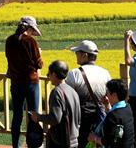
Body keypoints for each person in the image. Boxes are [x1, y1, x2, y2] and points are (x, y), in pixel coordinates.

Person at [5, 15, 44, 148]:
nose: (33, 33)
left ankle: (15, 145)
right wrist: (39, 53)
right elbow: (39, 64)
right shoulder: (31, 42)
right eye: (33, 30)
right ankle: (33, 144)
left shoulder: (9, 40)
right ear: (29, 28)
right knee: (33, 114)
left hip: (15, 83)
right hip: (31, 83)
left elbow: (9, 60)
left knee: (17, 115)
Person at [65, 40, 111, 146]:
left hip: (81, 120)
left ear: (84, 55)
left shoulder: (75, 74)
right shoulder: (105, 73)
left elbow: (67, 97)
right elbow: (108, 96)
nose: (76, 55)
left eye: (77, 53)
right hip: (100, 118)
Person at [29, 60, 80, 148]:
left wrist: (38, 117)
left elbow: (55, 119)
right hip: (74, 139)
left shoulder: (57, 92)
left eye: (49, 73)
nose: (47, 76)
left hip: (62, 141)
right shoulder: (72, 91)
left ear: (54, 74)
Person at [89, 79, 134, 148]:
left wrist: (94, 138)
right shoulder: (127, 107)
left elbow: (109, 141)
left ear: (114, 95)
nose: (106, 95)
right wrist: (107, 105)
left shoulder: (113, 116)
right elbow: (117, 118)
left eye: (107, 92)